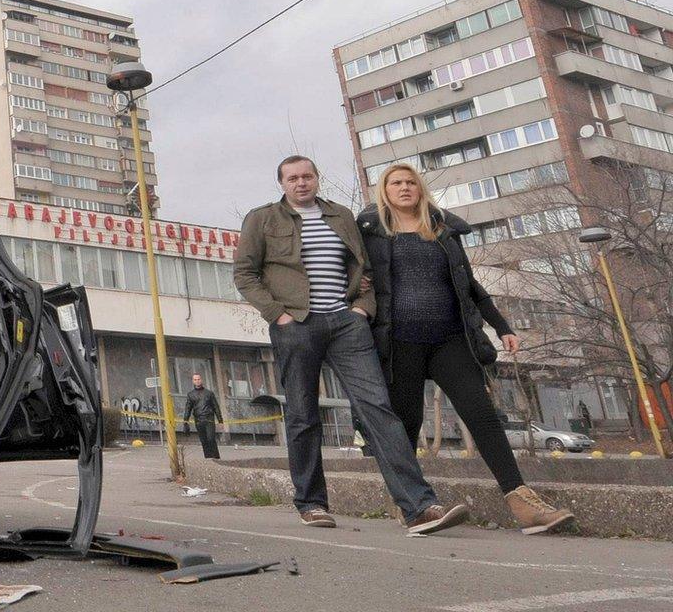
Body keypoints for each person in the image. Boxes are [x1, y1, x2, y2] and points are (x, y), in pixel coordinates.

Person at [234, 155, 469, 535]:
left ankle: (420, 507)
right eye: (292, 178)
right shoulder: (262, 219)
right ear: (281, 183)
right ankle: (312, 503)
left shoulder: (342, 215)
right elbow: (245, 273)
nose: (301, 183)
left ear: (317, 179)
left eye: (307, 176)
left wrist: (362, 308)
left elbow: (366, 268)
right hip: (296, 323)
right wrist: (276, 314)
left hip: (346, 323)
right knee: (303, 414)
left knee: (378, 408)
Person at [358, 163, 576, 535]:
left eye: (411, 182)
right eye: (396, 183)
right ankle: (412, 504)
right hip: (399, 344)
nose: (405, 187)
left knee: (483, 416)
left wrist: (502, 325)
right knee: (406, 424)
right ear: (385, 190)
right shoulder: (372, 234)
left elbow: (469, 286)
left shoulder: (443, 231)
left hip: (450, 341)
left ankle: (522, 502)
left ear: (420, 188)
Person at [185, 373, 223, 459]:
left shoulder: (209, 393)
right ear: (193, 381)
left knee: (211, 439)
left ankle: (216, 458)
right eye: (195, 379)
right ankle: (208, 459)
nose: (197, 381)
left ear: (201, 380)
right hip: (198, 421)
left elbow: (216, 407)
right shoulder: (190, 395)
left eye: (198, 379)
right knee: (204, 441)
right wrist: (185, 421)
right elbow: (188, 408)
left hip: (209, 420)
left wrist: (220, 420)